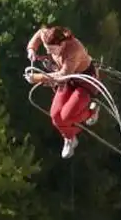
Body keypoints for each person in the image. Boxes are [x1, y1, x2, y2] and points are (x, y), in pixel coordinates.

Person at [25, 25, 100, 159]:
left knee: (66, 116)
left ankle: (91, 112)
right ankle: (70, 137)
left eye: (53, 50)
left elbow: (62, 75)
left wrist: (37, 78)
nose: (51, 52)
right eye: (48, 50)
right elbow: (39, 34)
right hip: (67, 80)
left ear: (62, 44)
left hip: (84, 81)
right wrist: (31, 49)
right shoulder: (48, 36)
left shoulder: (74, 50)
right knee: (55, 117)